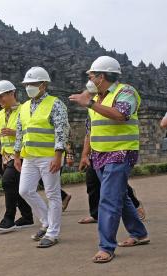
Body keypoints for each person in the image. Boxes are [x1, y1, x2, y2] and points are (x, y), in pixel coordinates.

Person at [69, 56, 149, 263]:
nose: (88, 78)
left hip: (121, 152)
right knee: (119, 197)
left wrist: (91, 103)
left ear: (102, 76)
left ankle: (106, 247)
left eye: (91, 75)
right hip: (99, 154)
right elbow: (91, 129)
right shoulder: (98, 97)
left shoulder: (126, 92)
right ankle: (139, 233)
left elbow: (121, 114)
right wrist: (86, 154)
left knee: (108, 199)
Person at [15, 67, 70, 248]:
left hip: (49, 156)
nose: (29, 87)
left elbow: (61, 131)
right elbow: (20, 132)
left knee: (52, 194)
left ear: (43, 85)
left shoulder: (56, 104)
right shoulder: (23, 107)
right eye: (27, 84)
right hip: (29, 156)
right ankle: (46, 221)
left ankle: (53, 233)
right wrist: (16, 155)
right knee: (25, 190)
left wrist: (58, 155)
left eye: (33, 84)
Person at [0, 80, 34, 233]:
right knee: (14, 187)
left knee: (8, 181)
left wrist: (15, 133)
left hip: (22, 153)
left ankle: (9, 218)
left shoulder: (25, 109)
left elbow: (33, 131)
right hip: (6, 157)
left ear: (12, 93)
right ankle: (27, 216)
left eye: (2, 96)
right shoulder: (1, 114)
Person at [78, 136, 146, 224]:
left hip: (113, 150)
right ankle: (96, 215)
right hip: (95, 151)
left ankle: (135, 205)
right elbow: (88, 133)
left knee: (115, 183)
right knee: (92, 181)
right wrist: (84, 155)